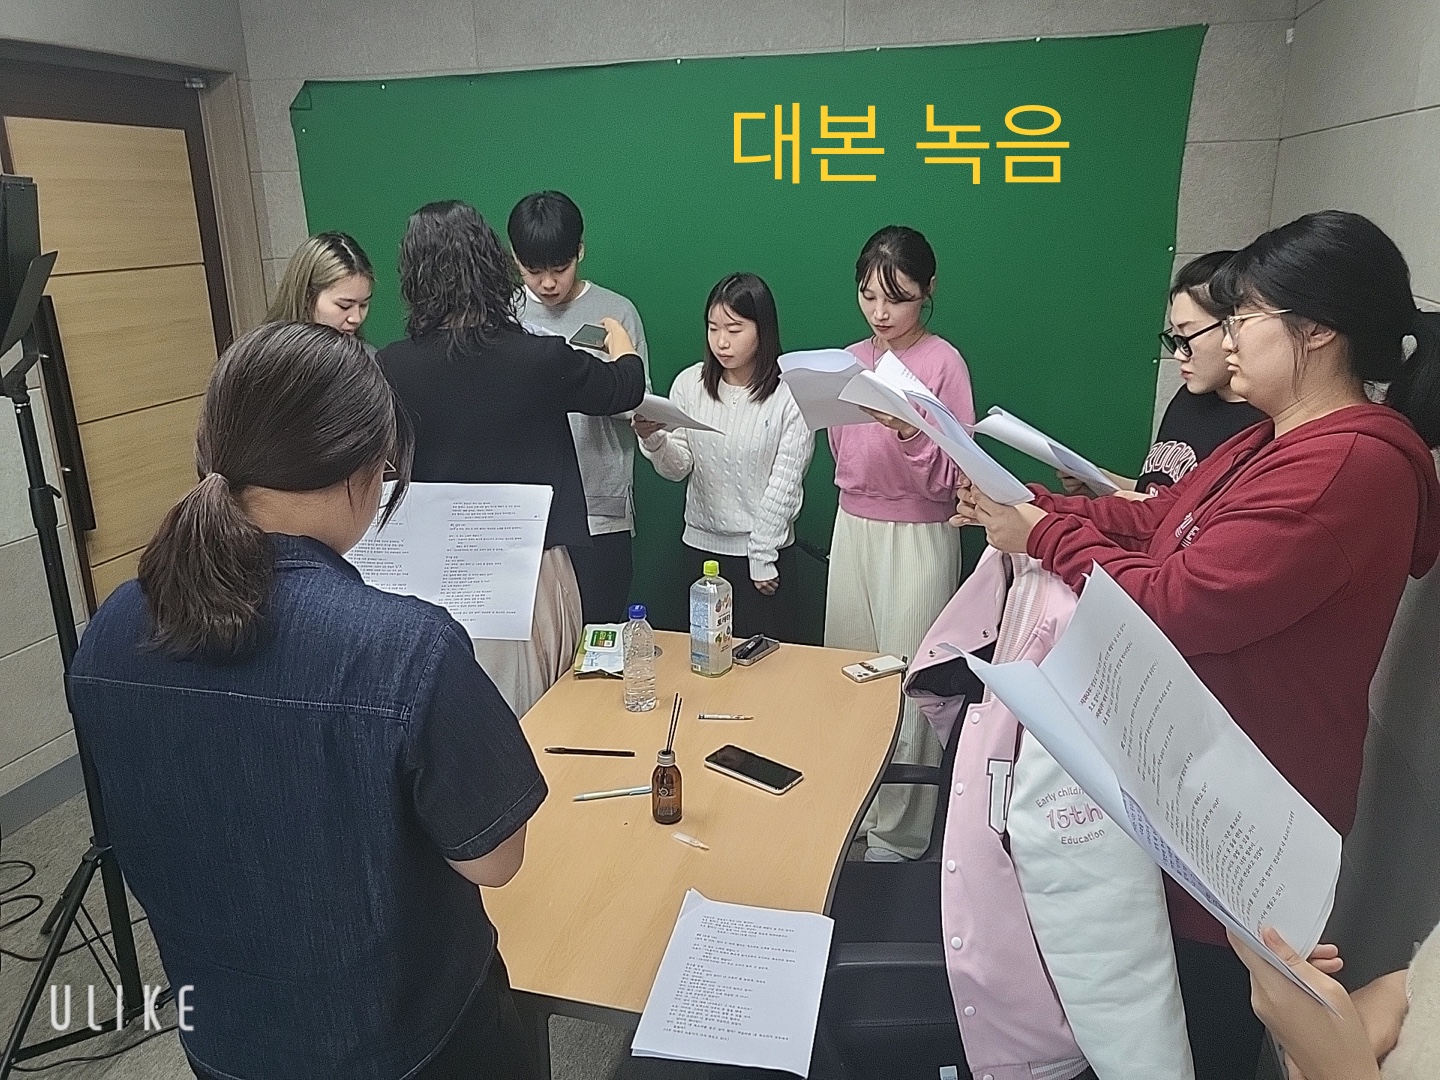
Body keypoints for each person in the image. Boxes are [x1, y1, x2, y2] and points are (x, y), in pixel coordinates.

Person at [951, 210, 1440, 1079]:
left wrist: (1044, 536)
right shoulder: (1272, 436)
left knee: (1196, 1030)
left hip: (1243, 813)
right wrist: (1036, 507)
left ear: (1318, 330)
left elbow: (1175, 603)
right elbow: (1159, 522)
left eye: (1243, 316)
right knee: (1146, 1018)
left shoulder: (1347, 468)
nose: (1227, 338)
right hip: (1189, 780)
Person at [67, 323, 544, 1080]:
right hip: (408, 1045)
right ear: (363, 469)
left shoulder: (110, 630)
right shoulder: (408, 649)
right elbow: (495, 859)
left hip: (221, 1041)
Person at [380, 201, 645, 718]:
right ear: (495, 264)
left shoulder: (392, 366)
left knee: (453, 713)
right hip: (530, 567)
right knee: (543, 711)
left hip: (434, 571)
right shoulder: (536, 357)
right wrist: (622, 345)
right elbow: (624, 387)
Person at [825, 225, 976, 862]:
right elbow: (842, 450)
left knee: (912, 682)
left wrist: (909, 433)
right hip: (852, 527)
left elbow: (955, 472)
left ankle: (901, 832)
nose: (881, 313)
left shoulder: (942, 363)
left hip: (919, 534)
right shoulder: (848, 360)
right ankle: (852, 812)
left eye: (898, 298)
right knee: (850, 673)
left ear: (928, 291)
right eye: (868, 296)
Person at [633, 273, 813, 641]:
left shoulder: (790, 394)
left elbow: (785, 483)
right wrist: (653, 439)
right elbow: (679, 467)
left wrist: (762, 555)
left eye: (734, 329)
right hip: (700, 553)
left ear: (763, 329)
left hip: (764, 559)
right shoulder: (690, 384)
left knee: (767, 665)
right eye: (713, 328)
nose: (721, 341)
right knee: (703, 659)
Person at [509, 191, 651, 625]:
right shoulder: (504, 314)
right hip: (526, 511)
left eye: (560, 268)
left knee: (600, 634)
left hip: (600, 507)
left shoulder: (616, 312)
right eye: (534, 271)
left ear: (580, 252)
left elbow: (639, 396)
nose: (548, 283)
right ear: (515, 259)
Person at [1061, 249, 1265, 497]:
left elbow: (1183, 514)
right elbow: (1155, 492)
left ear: (1236, 327)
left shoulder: (1259, 430)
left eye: (1188, 337)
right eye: (1175, 339)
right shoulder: (1190, 397)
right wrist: (1096, 479)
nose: (1179, 354)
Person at [265, 231, 376, 349]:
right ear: (307, 296)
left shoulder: (368, 355)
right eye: (344, 306)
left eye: (363, 305)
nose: (356, 318)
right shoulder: (267, 354)